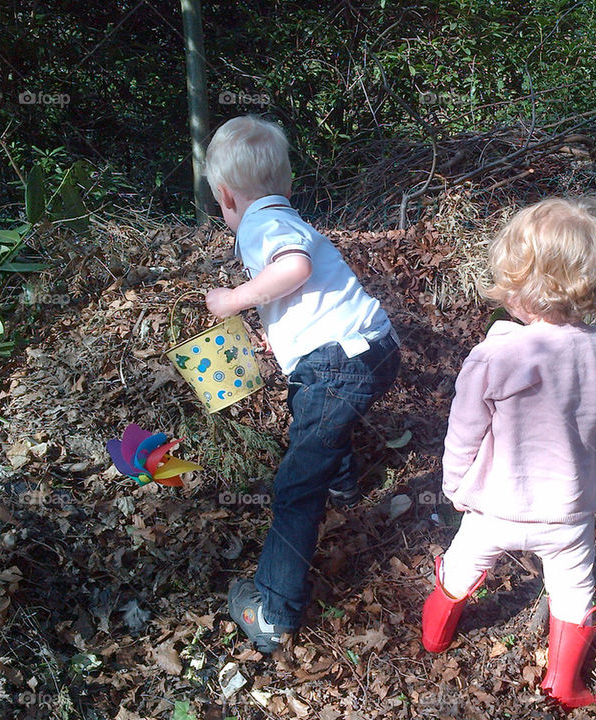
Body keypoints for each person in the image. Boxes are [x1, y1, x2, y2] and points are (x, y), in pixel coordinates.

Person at [420, 197, 596, 709]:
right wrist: (591, 452)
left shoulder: (496, 353)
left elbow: (464, 432)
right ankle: (563, 684)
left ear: (515, 281)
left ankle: (434, 640)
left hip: (493, 508)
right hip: (568, 513)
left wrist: (455, 485)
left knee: (459, 570)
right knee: (573, 592)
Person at [203, 116, 400, 652]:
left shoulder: (259, 224)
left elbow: (293, 268)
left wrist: (233, 299)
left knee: (294, 486)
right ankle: (341, 482)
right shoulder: (286, 214)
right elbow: (298, 290)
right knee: (312, 406)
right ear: (288, 185)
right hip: (369, 350)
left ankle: (273, 610)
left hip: (341, 362)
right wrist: (279, 331)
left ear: (225, 196)